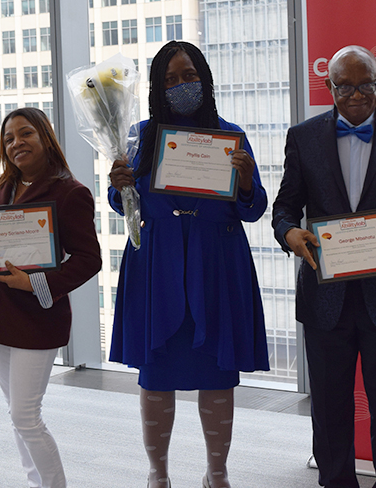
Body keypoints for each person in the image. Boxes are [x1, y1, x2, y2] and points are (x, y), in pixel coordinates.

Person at [108, 41, 270, 488]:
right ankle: (157, 474)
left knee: (216, 372)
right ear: (158, 88)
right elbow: (126, 206)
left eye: (190, 76)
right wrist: (118, 184)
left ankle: (216, 474)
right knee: (156, 372)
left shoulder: (230, 134)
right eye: (172, 79)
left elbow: (254, 209)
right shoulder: (140, 136)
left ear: (206, 79)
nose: (182, 86)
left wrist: (243, 181)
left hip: (217, 264)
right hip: (156, 263)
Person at [272, 45, 376, 488]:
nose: (358, 94)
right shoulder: (302, 137)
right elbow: (285, 208)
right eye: (346, 85)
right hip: (326, 299)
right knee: (329, 411)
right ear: (329, 86)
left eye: (367, 84)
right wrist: (289, 233)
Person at [0, 107, 101, 488]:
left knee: (25, 415)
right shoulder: (5, 187)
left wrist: (36, 284)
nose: (16, 143)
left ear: (45, 136)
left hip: (37, 316)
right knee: (17, 414)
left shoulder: (71, 192)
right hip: (0, 312)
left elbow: (89, 259)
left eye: (25, 134)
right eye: (9, 139)